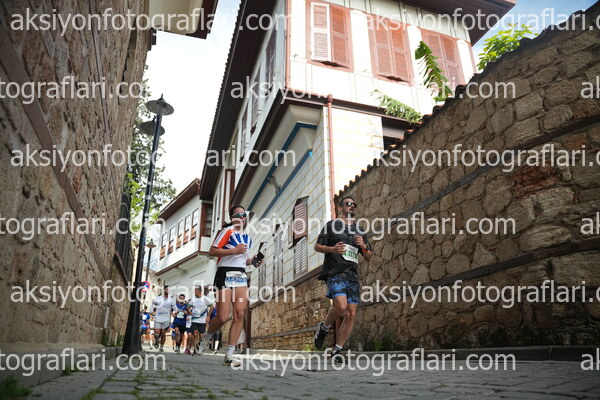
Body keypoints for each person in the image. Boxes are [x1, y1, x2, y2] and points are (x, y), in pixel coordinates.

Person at [197, 205, 262, 367]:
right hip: (224, 273)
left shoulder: (247, 237)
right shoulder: (227, 231)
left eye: (244, 214)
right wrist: (234, 250)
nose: (242, 217)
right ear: (232, 218)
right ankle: (206, 337)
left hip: (240, 275)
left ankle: (230, 354)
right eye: (239, 215)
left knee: (240, 313)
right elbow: (212, 251)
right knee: (222, 317)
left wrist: (253, 261)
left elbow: (244, 260)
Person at [313, 196, 372, 362]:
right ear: (340, 208)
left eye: (354, 204)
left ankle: (337, 351)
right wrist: (333, 249)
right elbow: (317, 246)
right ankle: (324, 327)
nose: (352, 206)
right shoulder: (331, 225)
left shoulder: (360, 231)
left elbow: (369, 256)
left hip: (352, 275)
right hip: (335, 272)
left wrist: (363, 247)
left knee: (351, 314)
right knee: (341, 305)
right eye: (348, 204)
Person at [151, 285, 177, 352]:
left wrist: (175, 312)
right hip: (158, 318)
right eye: (167, 289)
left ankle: (161, 347)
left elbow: (175, 308)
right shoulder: (157, 299)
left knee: (163, 333)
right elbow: (152, 307)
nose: (169, 291)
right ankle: (157, 340)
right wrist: (152, 312)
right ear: (164, 290)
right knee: (156, 333)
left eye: (170, 290)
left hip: (166, 319)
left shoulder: (171, 300)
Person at [189, 286, 214, 355]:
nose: (194, 292)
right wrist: (188, 311)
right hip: (194, 320)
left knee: (202, 335)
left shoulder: (205, 298)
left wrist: (208, 316)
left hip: (202, 320)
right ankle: (195, 349)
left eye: (195, 290)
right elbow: (188, 307)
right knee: (195, 334)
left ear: (199, 291)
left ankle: (200, 348)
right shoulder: (193, 299)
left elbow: (212, 307)